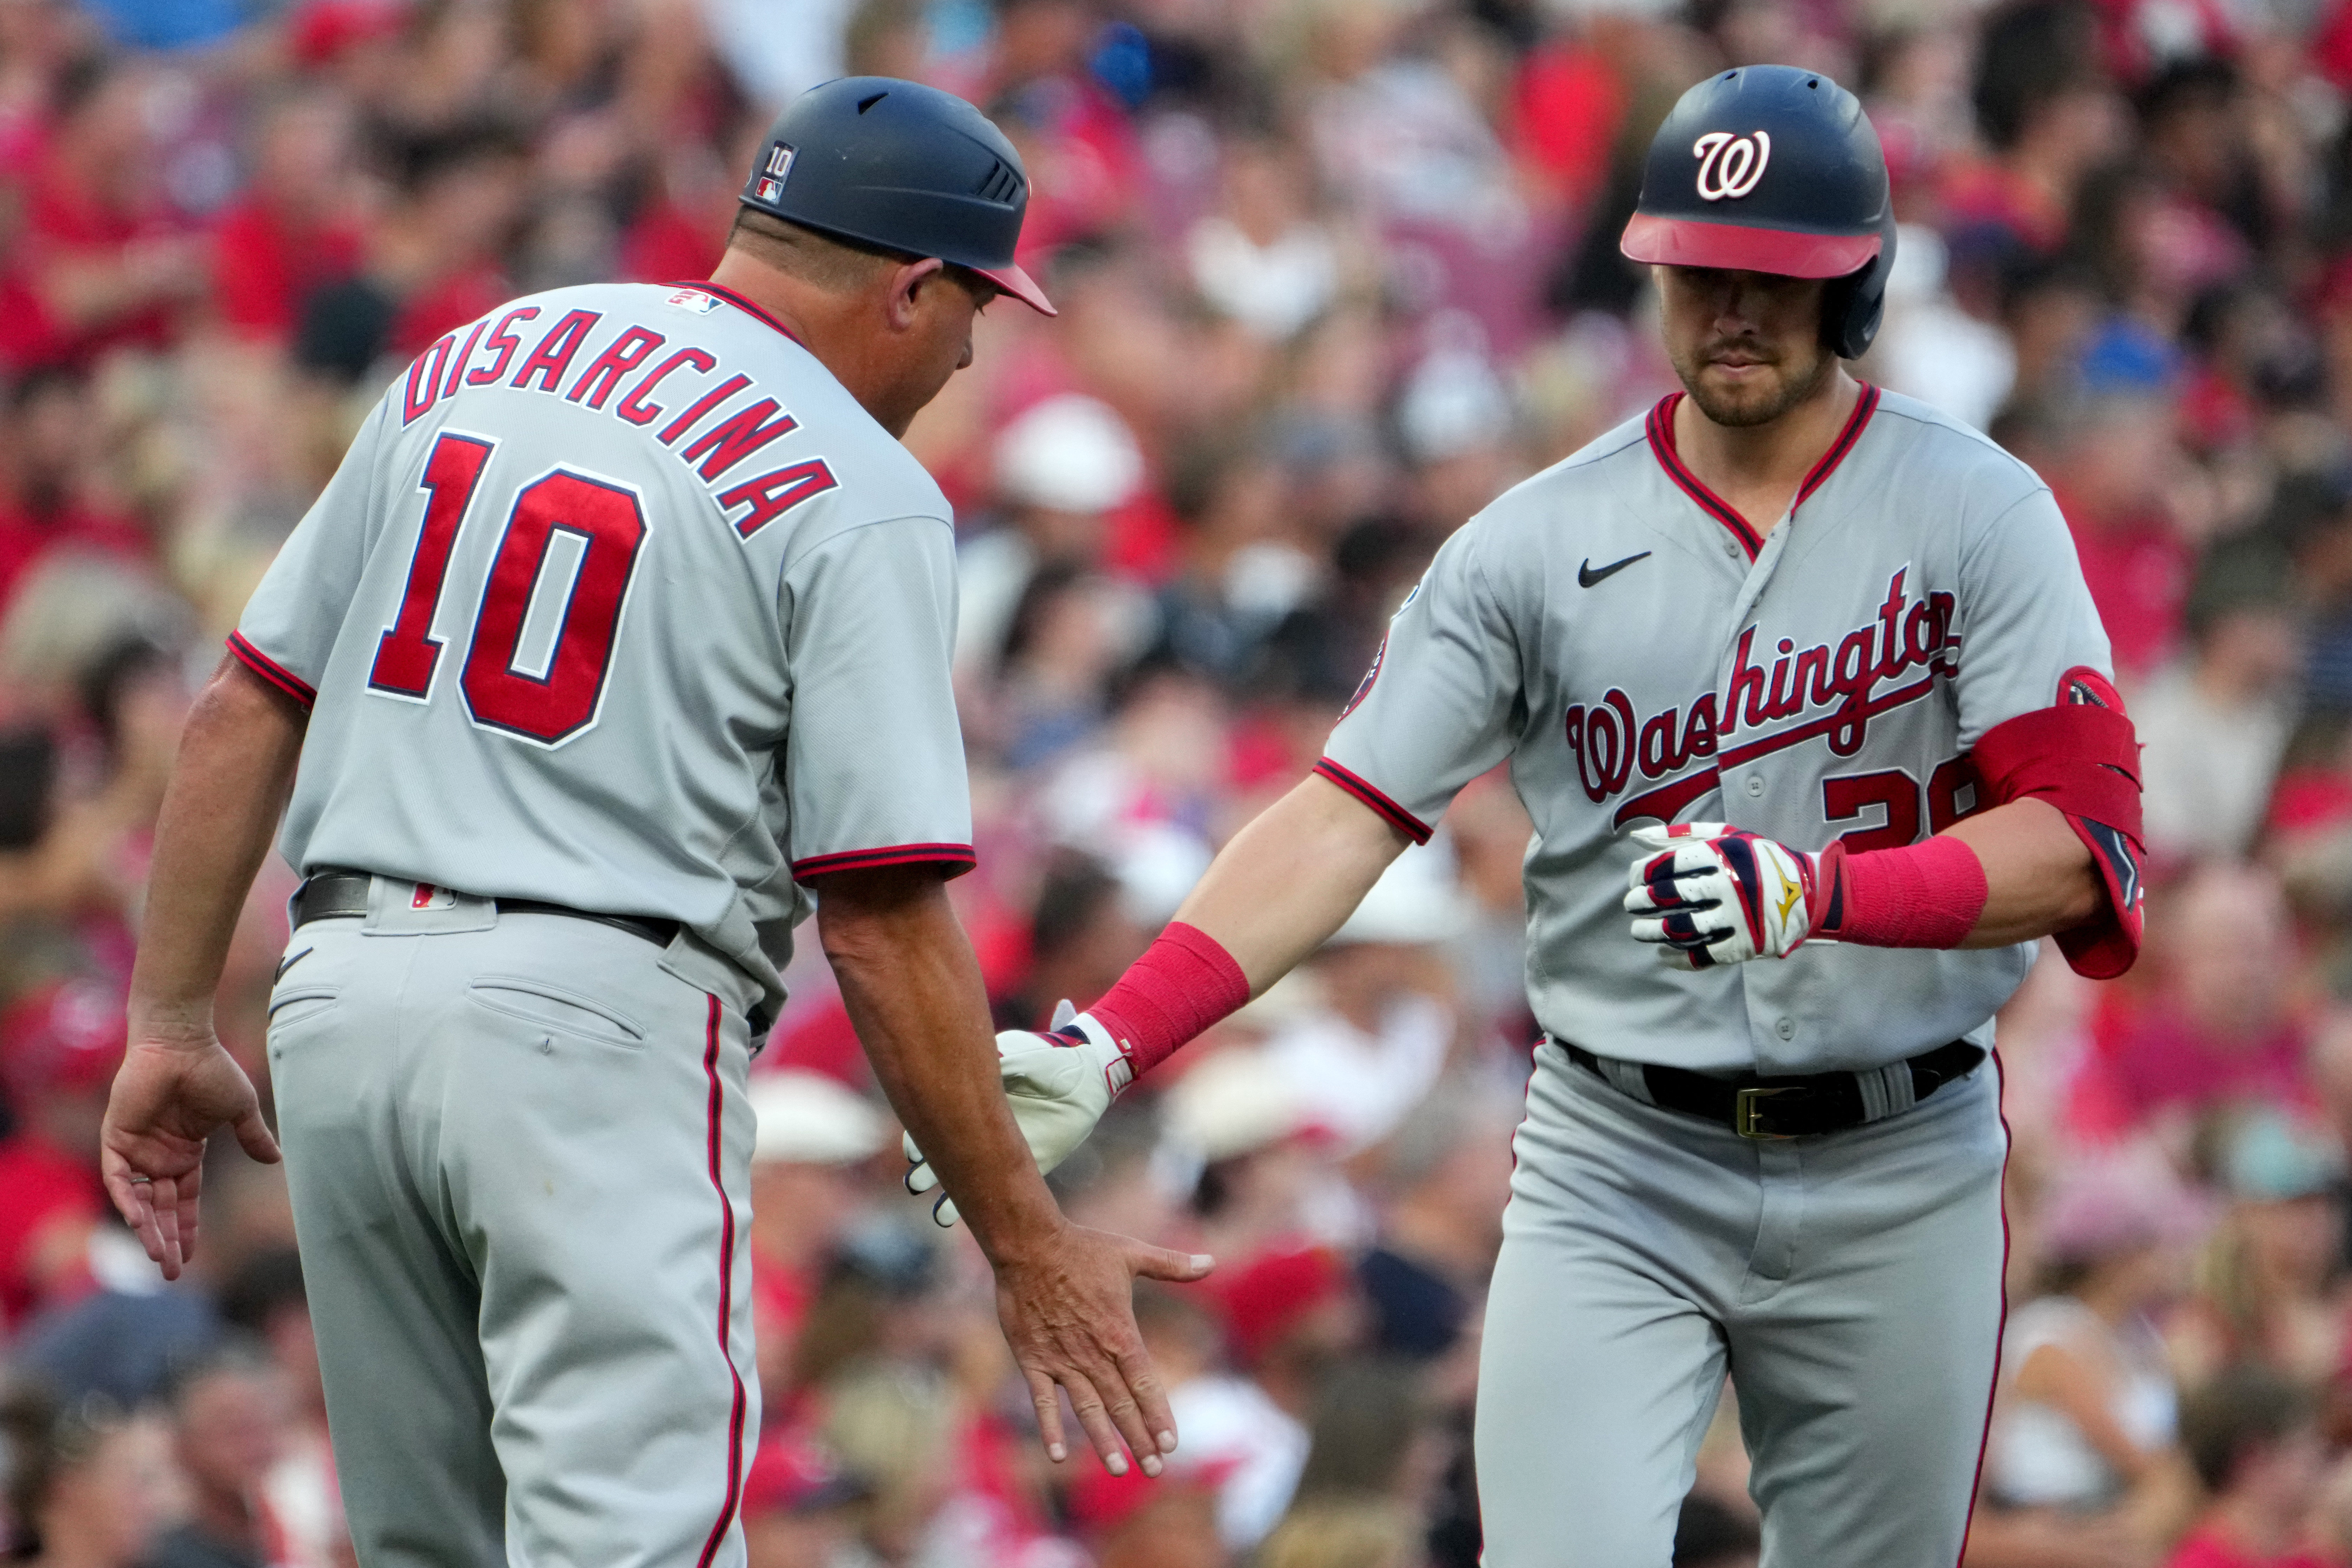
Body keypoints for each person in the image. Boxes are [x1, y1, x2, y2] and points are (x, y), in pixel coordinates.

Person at [909, 65, 2146, 1566]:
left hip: (1902, 1150)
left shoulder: (1978, 510)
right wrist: (1117, 1040)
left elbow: (2081, 847)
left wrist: (1824, 895)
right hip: (1623, 1154)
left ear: (1859, 288)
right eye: (1696, 272)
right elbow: (1343, 814)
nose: (1731, 309)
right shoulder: (1534, 543)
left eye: (1775, 278)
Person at [97, 75, 1209, 1568]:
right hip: (590, 1018)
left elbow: (246, 703)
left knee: (434, 1549)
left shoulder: (482, 351)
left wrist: (170, 1015)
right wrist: (1029, 1244)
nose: (967, 351)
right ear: (910, 287)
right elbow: (879, 916)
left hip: (339, 1006)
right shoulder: (862, 483)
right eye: (977, 311)